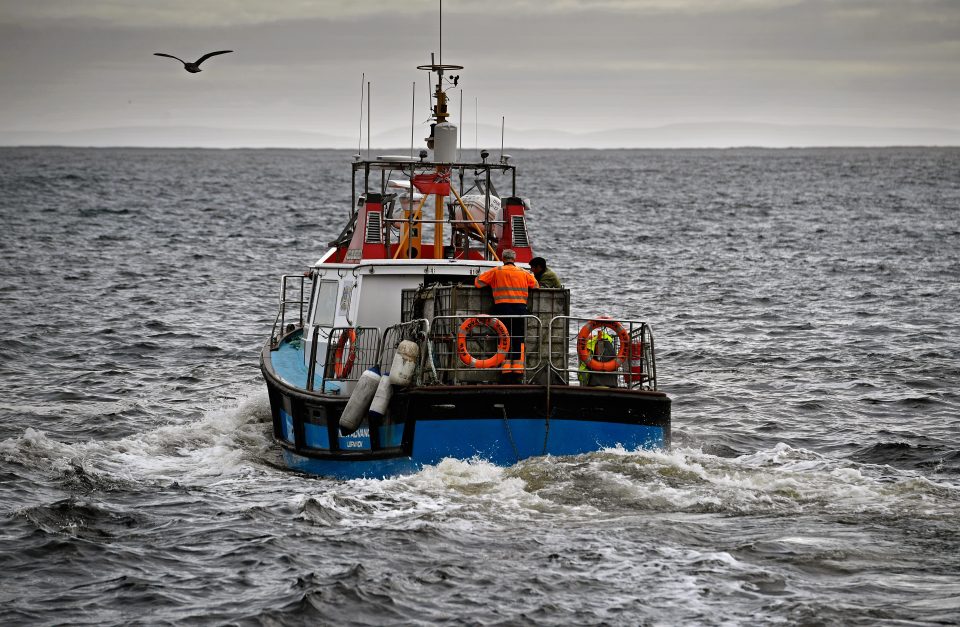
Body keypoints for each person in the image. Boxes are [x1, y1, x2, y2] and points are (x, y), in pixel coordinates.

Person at [475, 249, 538, 379]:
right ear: (514, 259)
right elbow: (536, 286)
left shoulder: (496, 271)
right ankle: (518, 369)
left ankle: (505, 369)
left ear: (503, 259)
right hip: (520, 309)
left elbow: (478, 283)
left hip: (502, 308)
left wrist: (479, 277)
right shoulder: (524, 272)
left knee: (503, 336)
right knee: (518, 337)